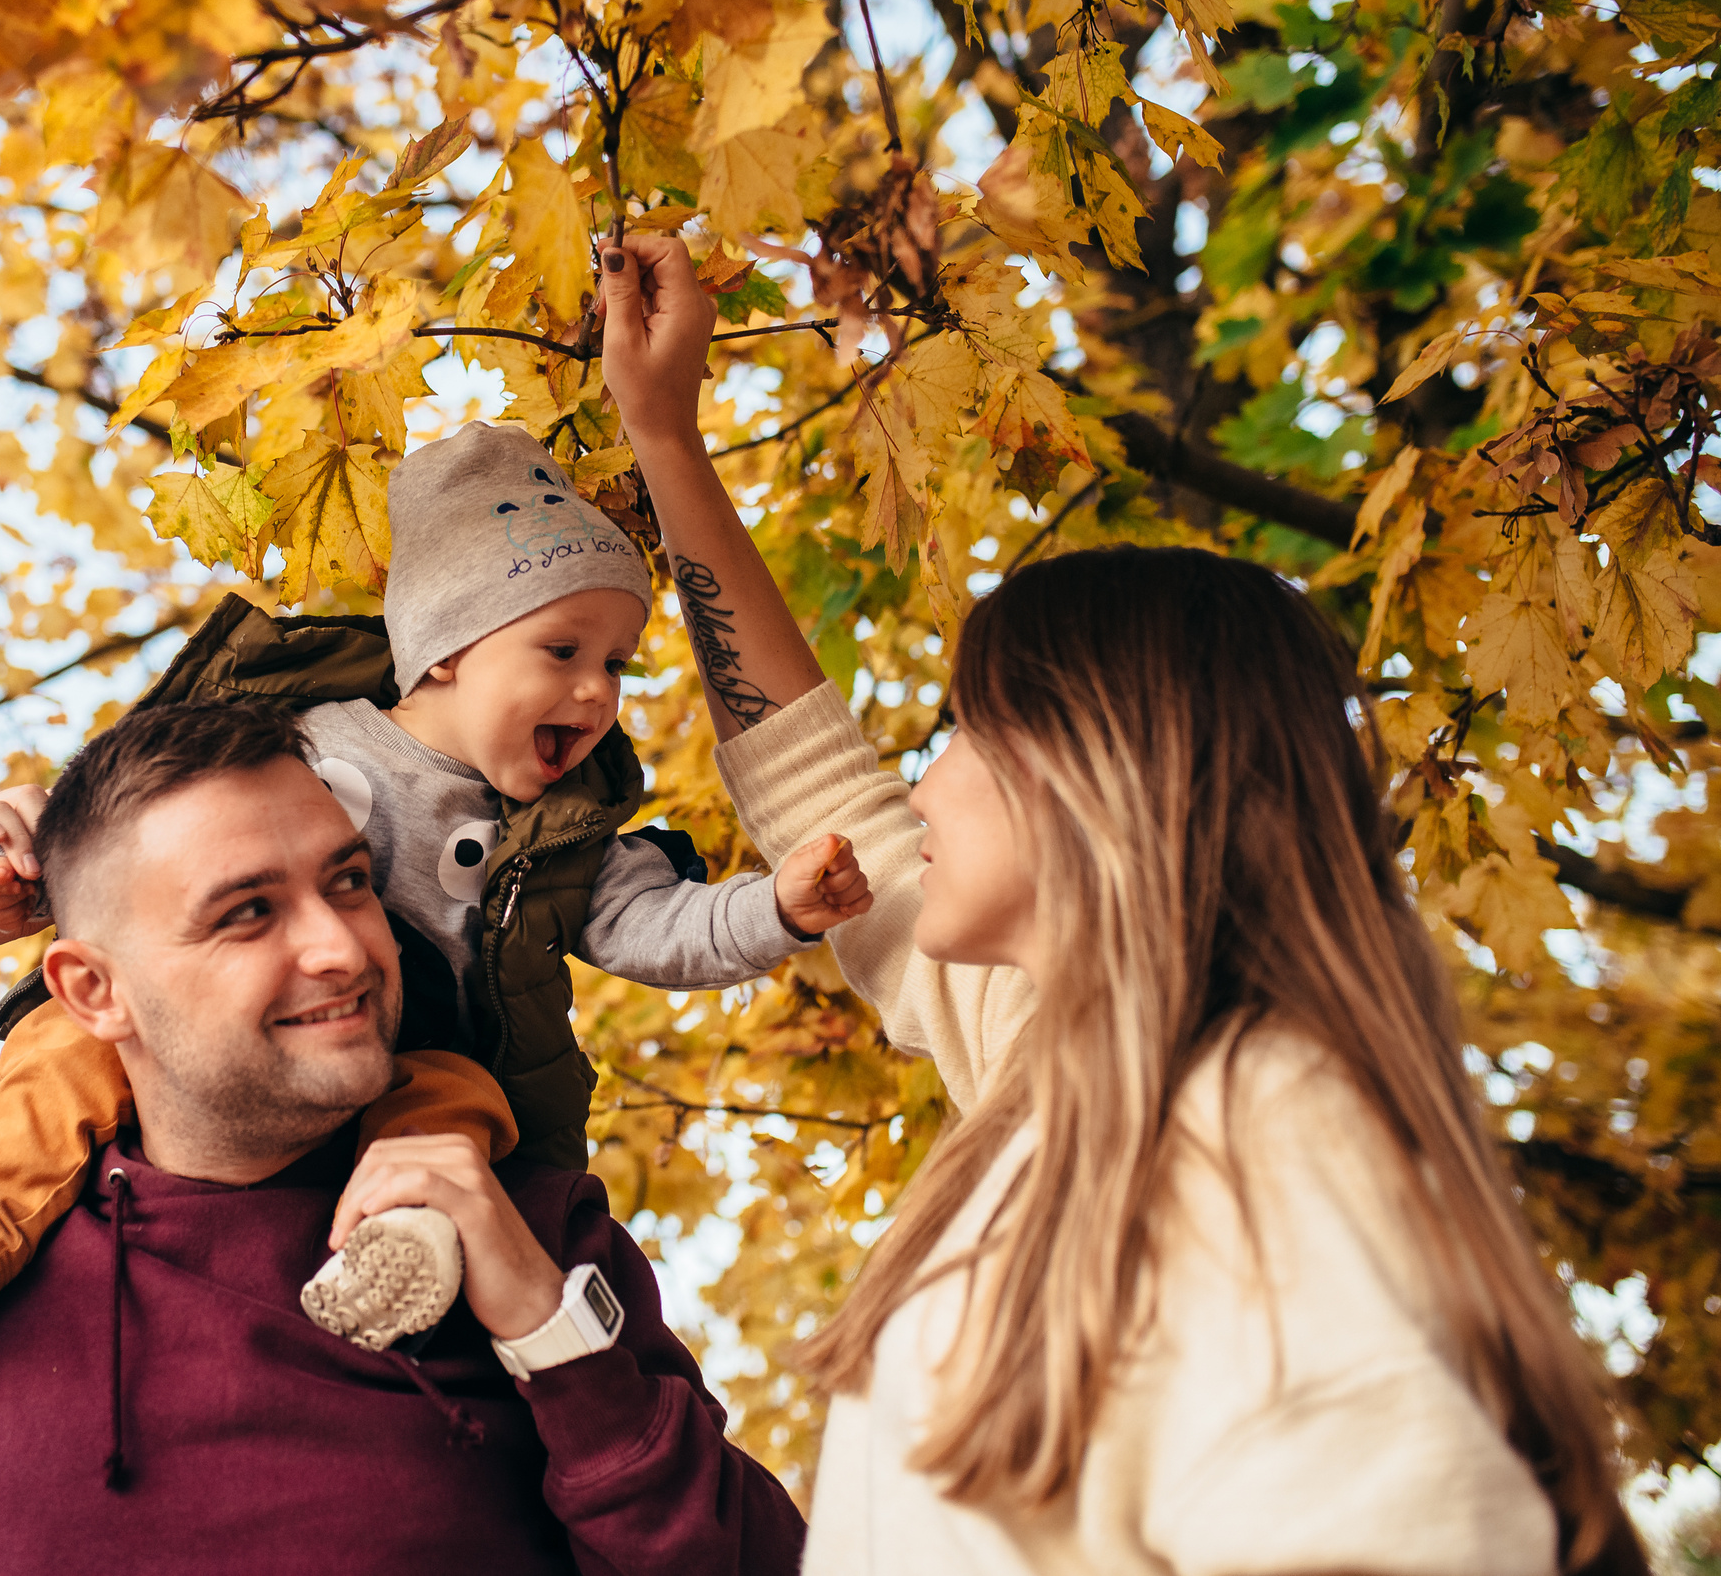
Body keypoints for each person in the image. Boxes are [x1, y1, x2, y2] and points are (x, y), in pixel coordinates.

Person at [591, 235, 1650, 1575]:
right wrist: (664, 441)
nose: (927, 772)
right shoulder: (1074, 1071)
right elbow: (825, 803)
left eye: (967, 728)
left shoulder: (1250, 1112)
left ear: (1093, 775)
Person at [0, 701, 809, 1574]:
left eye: (347, 881)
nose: (342, 946)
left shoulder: (521, 1232)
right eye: (247, 913)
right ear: (91, 990)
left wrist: (545, 1326)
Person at [0, 421, 870, 1383]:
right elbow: (140, 847)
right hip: (218, 1033)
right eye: (561, 651)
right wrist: (14, 876)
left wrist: (775, 905)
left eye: (615, 662)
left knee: (457, 1106)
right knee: (60, 1054)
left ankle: (395, 1247)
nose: (597, 690)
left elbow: (662, 928)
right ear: (444, 650)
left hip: (417, 1045)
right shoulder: (295, 740)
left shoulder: (567, 834)